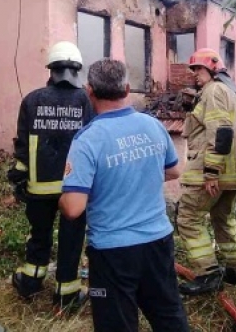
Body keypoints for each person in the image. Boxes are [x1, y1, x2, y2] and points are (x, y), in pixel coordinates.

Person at [59, 59, 190, 332]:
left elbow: (73, 208)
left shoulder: (87, 140)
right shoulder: (152, 125)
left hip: (112, 252)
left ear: (89, 90)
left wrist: (64, 191)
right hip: (158, 242)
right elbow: (175, 170)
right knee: (169, 317)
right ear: (127, 88)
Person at [8, 41, 94, 310]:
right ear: (77, 69)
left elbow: (23, 145)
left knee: (39, 235)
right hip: (74, 189)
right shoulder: (85, 101)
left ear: (51, 69)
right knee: (71, 242)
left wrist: (19, 178)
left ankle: (30, 283)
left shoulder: (32, 100)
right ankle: (66, 296)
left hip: (39, 188)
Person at [177, 48, 236, 295]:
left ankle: (207, 273)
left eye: (198, 69)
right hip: (234, 173)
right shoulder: (232, 92)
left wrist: (211, 171)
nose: (195, 74)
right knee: (224, 218)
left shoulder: (214, 91)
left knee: (189, 218)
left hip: (212, 172)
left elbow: (221, 131)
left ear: (211, 68)